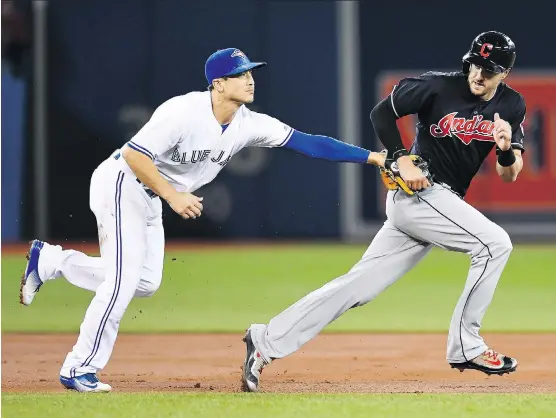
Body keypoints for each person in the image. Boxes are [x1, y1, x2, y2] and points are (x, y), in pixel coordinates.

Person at [19, 47, 385, 392]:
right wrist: (174, 195)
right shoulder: (183, 112)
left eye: (251, 73)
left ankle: (50, 261)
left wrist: (374, 158)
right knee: (123, 280)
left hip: (150, 195)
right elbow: (133, 155)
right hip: (122, 183)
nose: (250, 79)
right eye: (240, 74)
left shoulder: (248, 123)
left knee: (145, 282)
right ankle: (78, 367)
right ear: (218, 83)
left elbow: (310, 143)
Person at [241, 31, 526, 392]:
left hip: (438, 206)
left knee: (357, 287)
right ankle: (466, 345)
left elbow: (509, 173)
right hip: (420, 192)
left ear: (505, 73)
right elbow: (382, 113)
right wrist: (400, 156)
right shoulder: (437, 87)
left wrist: (503, 149)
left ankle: (264, 341)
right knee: (494, 244)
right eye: (476, 63)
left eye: (490, 68)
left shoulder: (512, 105)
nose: (479, 73)